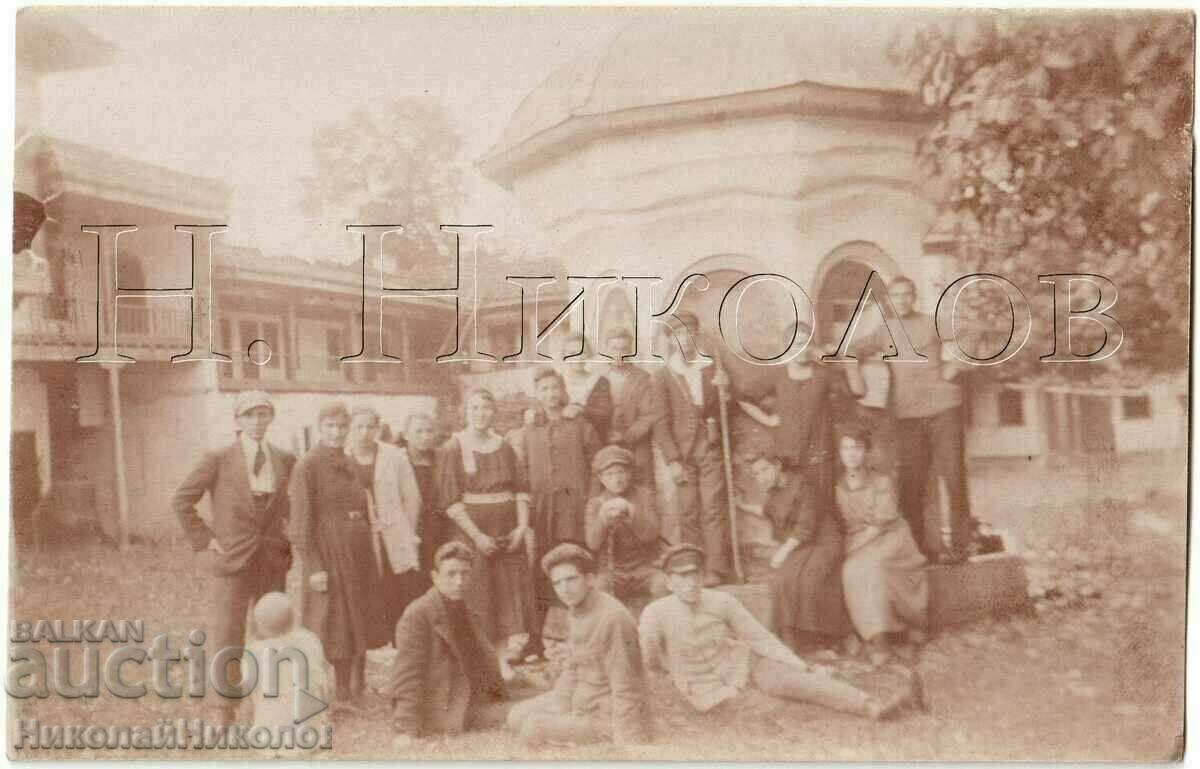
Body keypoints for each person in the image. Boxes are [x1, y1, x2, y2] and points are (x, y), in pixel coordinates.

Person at [638, 544, 918, 720]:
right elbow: (650, 658)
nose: (690, 583)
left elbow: (759, 637)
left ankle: (871, 706)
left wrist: (797, 665)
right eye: (681, 577)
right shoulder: (655, 614)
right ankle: (870, 704)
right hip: (707, 688)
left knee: (795, 682)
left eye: (694, 575)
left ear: (702, 576)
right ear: (669, 582)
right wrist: (674, 674)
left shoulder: (721, 601)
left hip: (744, 665)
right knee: (778, 711)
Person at [172, 390, 295, 723]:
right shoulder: (219, 458)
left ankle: (273, 700)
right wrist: (205, 538)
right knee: (227, 631)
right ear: (238, 421)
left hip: (271, 557)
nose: (257, 421)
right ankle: (222, 708)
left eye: (263, 414)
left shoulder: (284, 458)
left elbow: (295, 504)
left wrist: (288, 533)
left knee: (273, 628)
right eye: (250, 415)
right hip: (232, 559)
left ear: (271, 418)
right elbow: (182, 500)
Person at [856, 276, 971, 562]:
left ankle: (961, 548)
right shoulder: (885, 330)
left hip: (944, 408)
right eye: (896, 295)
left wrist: (954, 366)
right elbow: (853, 349)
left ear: (914, 297)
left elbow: (971, 334)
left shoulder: (932, 321)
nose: (903, 300)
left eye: (907, 294)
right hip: (907, 416)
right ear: (889, 300)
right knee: (911, 483)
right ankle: (918, 550)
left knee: (954, 478)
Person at [506, 543, 651, 747]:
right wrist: (561, 704)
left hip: (604, 713)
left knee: (533, 727)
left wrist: (626, 742)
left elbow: (626, 685)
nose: (564, 589)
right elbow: (573, 668)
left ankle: (583, 733)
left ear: (590, 579)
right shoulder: (577, 609)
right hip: (581, 699)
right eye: (557, 583)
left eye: (571, 579)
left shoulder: (612, 618)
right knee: (516, 716)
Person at [439, 387, 536, 679]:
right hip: (472, 532)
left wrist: (521, 526)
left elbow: (521, 489)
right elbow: (449, 500)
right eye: (475, 408)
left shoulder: (505, 447)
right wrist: (477, 536)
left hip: (507, 530)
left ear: (494, 412)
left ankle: (502, 658)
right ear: (465, 412)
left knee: (506, 592)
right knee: (478, 592)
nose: (481, 414)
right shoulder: (453, 447)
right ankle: (477, 660)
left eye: (486, 408)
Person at [289, 401, 375, 703]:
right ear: (320, 427)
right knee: (335, 621)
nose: (337, 432)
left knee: (357, 617)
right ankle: (337, 690)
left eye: (342, 427)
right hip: (327, 550)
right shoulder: (308, 465)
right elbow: (300, 522)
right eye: (331, 427)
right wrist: (315, 567)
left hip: (356, 550)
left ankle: (356, 685)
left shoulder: (349, 462)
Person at [510, 368, 600, 639]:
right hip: (543, 511)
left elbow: (597, 465)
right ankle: (540, 636)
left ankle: (585, 629)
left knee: (577, 563)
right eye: (544, 389)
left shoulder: (580, 425)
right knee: (543, 568)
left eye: (554, 388)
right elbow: (522, 473)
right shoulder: (529, 430)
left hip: (575, 509)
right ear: (537, 395)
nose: (550, 394)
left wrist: (592, 502)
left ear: (563, 391)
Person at [389, 542, 508, 745]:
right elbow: (408, 674)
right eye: (451, 574)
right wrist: (406, 728)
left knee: (534, 700)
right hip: (448, 708)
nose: (459, 581)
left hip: (474, 697)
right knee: (525, 715)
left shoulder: (466, 611)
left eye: (465, 573)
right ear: (435, 577)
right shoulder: (418, 614)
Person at [835, 426, 929, 667]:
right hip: (859, 538)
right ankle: (878, 638)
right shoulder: (838, 487)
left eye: (856, 448)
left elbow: (881, 523)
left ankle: (901, 628)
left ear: (866, 452)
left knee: (872, 566)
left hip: (891, 535)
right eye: (846, 448)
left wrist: (850, 551)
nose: (851, 454)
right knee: (852, 571)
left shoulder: (882, 481)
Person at [651, 313, 734, 585]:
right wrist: (672, 460)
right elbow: (661, 423)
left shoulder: (711, 367)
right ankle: (693, 566)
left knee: (713, 506)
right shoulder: (664, 375)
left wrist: (726, 392)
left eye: (689, 334)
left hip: (709, 445)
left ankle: (717, 568)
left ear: (696, 336)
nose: (685, 340)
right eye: (679, 335)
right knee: (688, 510)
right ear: (672, 340)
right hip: (682, 452)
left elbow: (726, 410)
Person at [747, 449, 852, 653]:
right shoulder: (774, 493)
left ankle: (826, 637)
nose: (761, 477)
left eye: (764, 470)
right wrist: (742, 505)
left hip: (825, 541)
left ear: (778, 466)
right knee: (782, 580)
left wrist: (782, 553)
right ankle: (789, 638)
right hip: (802, 545)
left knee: (810, 579)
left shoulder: (804, 485)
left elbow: (806, 526)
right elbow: (767, 510)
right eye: (756, 474)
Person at [346, 405, 428, 651]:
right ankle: (370, 647)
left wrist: (407, 532)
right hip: (359, 537)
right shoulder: (342, 457)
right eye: (358, 427)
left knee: (399, 592)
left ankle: (402, 647)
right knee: (368, 591)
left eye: (369, 427)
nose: (364, 433)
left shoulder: (394, 456)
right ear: (351, 429)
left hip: (394, 535)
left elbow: (412, 499)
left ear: (378, 429)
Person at [245, 591, 333, 750]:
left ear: (259, 626)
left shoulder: (253, 653)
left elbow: (250, 692)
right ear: (294, 621)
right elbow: (325, 683)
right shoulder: (310, 641)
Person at [584, 445, 668, 602]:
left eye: (621, 472)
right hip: (613, 571)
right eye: (609, 475)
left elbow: (652, 534)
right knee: (599, 590)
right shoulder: (596, 503)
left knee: (663, 584)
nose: (616, 480)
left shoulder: (644, 495)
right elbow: (592, 544)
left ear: (630, 473)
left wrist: (631, 512)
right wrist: (603, 519)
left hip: (646, 568)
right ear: (601, 479)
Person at [603, 327, 660, 476]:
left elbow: (649, 415)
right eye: (614, 349)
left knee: (643, 489)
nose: (619, 354)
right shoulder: (598, 378)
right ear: (606, 350)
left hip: (637, 445)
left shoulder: (642, 378)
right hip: (606, 444)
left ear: (630, 351)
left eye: (624, 349)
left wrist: (627, 436)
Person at [400, 413, 444, 574]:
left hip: (438, 533)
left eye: (429, 431)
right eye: (419, 431)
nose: (425, 437)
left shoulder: (440, 461)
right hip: (408, 531)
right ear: (406, 434)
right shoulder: (397, 461)